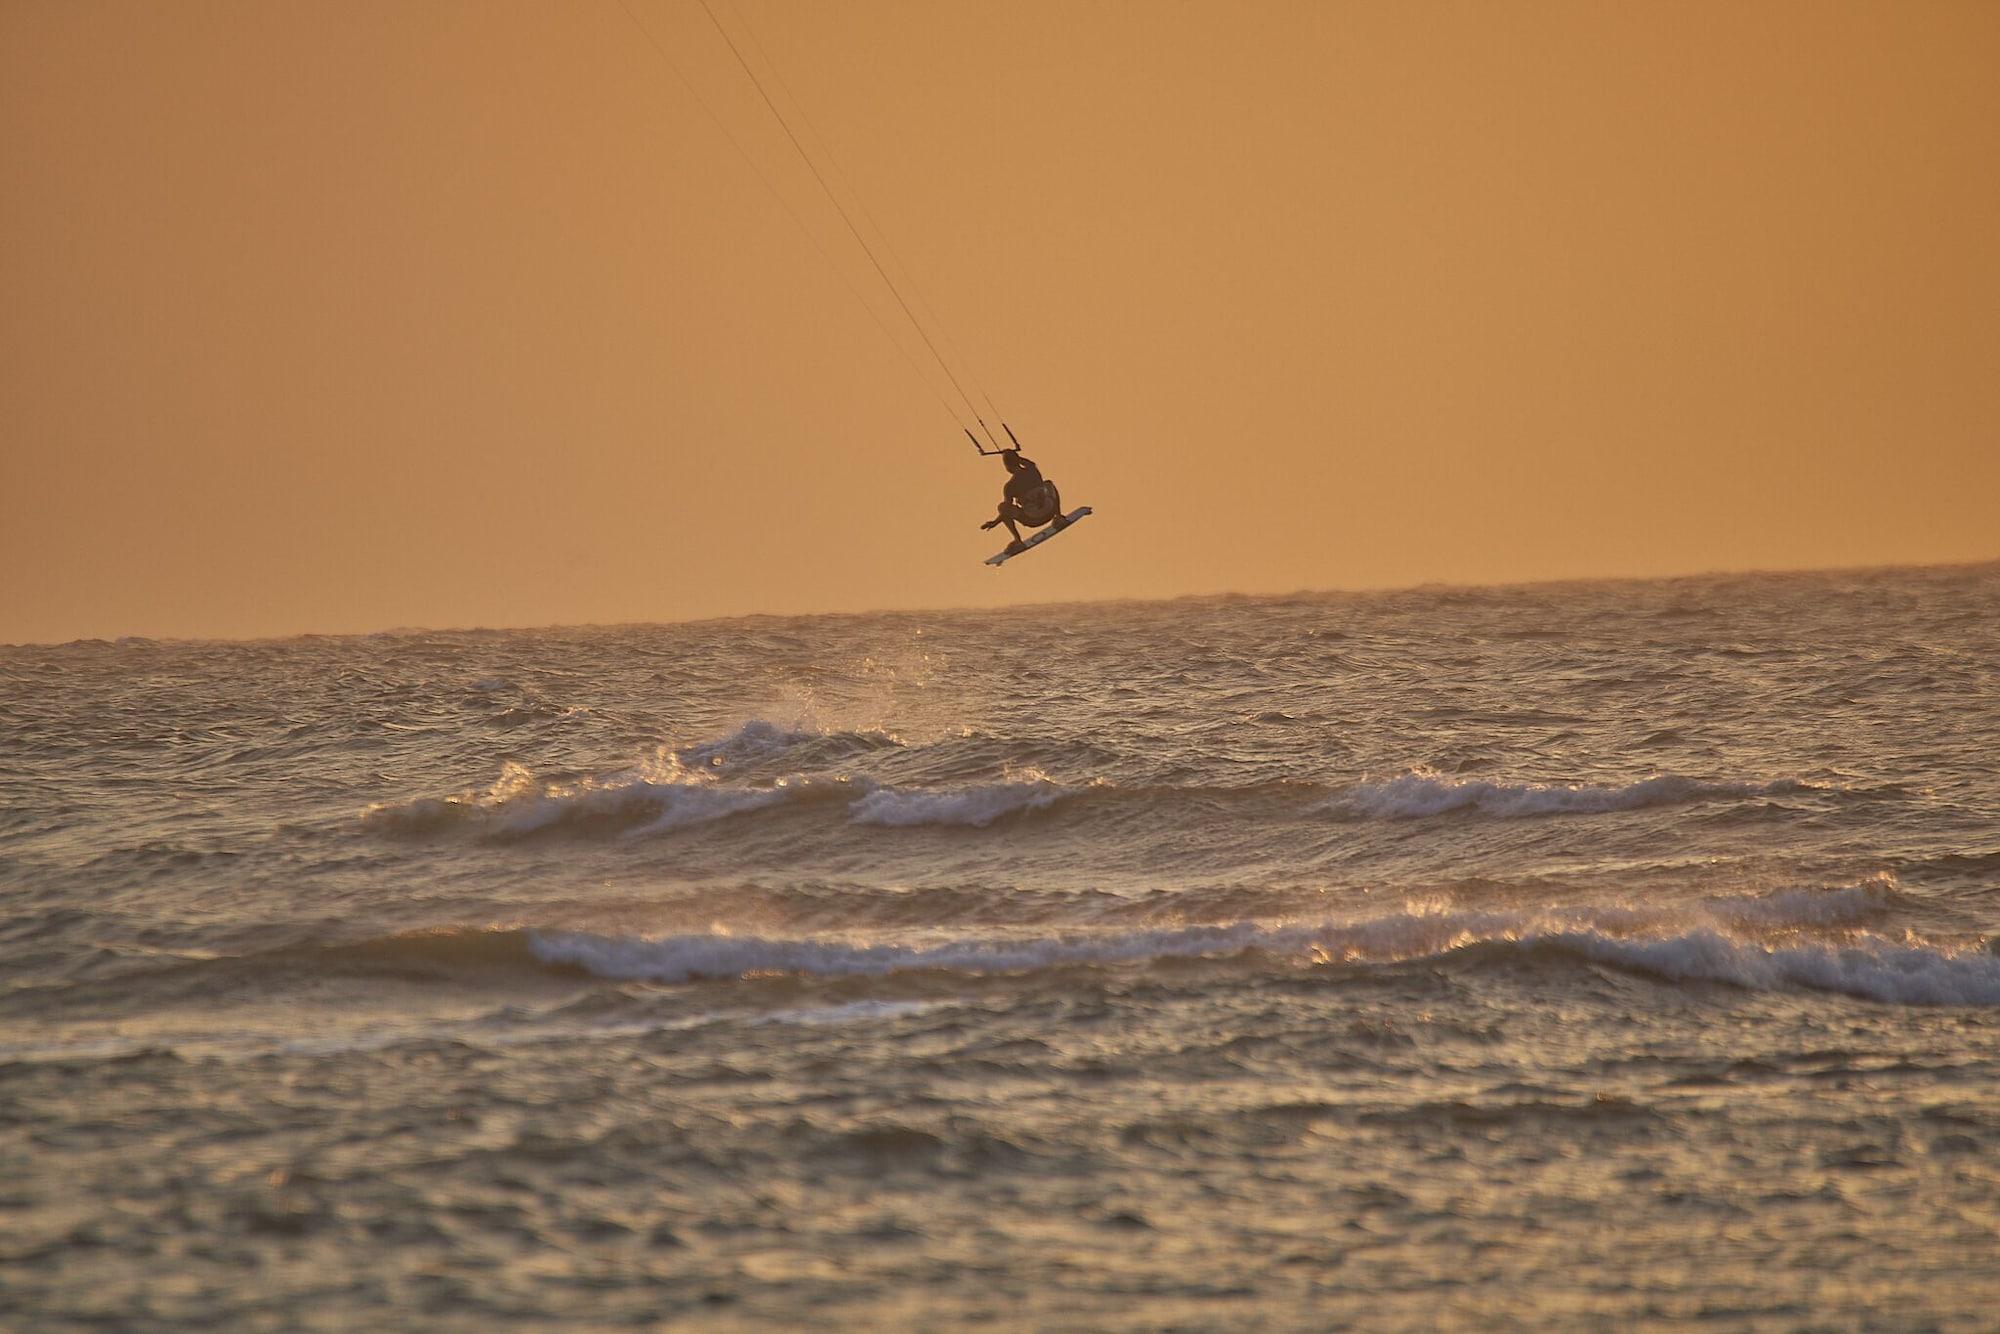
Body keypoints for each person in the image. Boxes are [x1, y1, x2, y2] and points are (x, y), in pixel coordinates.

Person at [979, 449, 1065, 552]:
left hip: (1033, 519)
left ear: (1007, 467)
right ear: (1018, 461)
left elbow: (1006, 511)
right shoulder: (1032, 471)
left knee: (1002, 507)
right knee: (1048, 483)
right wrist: (1015, 456)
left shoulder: (1010, 487)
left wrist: (995, 522)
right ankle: (1058, 517)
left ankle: (1018, 540)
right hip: (1049, 511)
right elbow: (1030, 463)